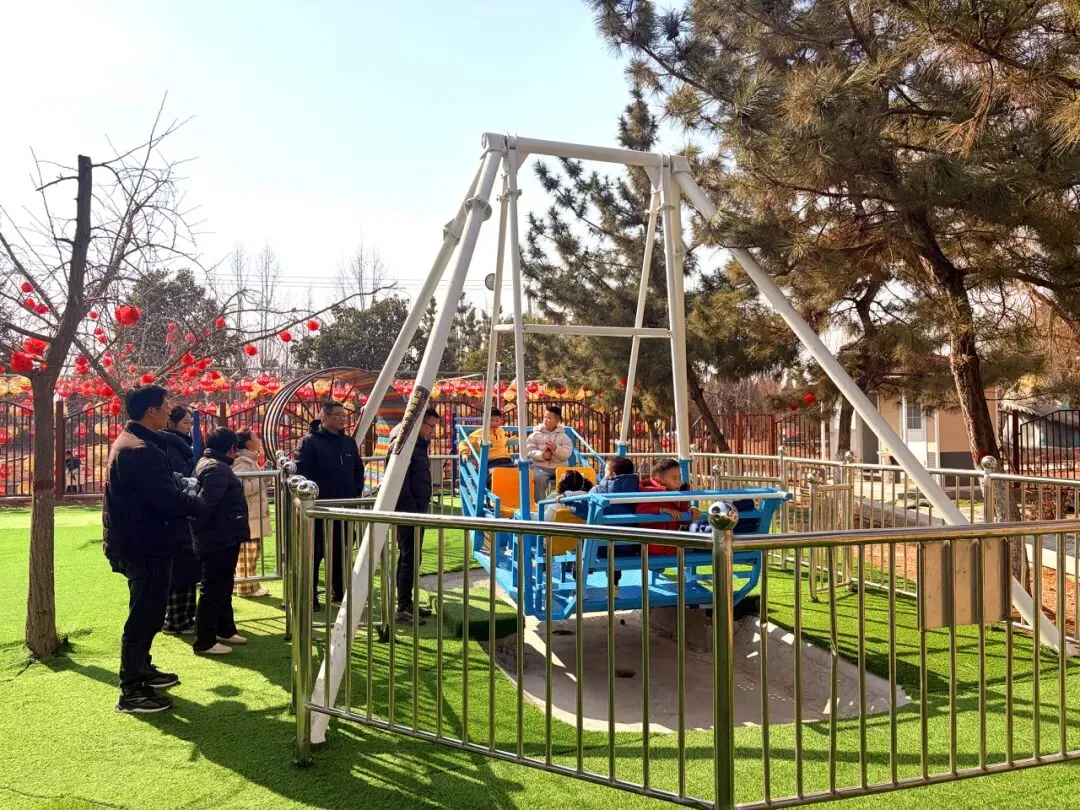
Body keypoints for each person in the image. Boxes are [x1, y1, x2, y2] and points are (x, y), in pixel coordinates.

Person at [103, 385, 205, 713]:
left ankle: (142, 669)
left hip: (147, 541)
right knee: (144, 616)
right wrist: (201, 503)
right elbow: (166, 499)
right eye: (165, 405)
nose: (169, 410)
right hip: (145, 545)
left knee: (150, 612)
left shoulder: (136, 443)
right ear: (151, 411)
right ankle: (131, 690)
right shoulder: (139, 450)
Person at [296, 401, 364, 608]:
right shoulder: (309, 442)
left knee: (341, 550)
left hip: (344, 507)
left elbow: (358, 470)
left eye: (344, 415)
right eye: (337, 415)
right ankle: (310, 596)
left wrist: (354, 491)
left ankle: (339, 592)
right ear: (324, 417)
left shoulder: (349, 442)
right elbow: (301, 472)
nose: (342, 419)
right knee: (315, 553)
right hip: (318, 508)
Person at [191, 428, 249, 655]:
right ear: (231, 448)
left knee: (223, 586)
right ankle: (204, 640)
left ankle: (225, 629)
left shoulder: (211, 464)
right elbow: (204, 505)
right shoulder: (217, 469)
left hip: (221, 534)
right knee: (214, 588)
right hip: (218, 536)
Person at [391, 408, 440, 624]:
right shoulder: (404, 444)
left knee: (412, 557)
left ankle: (406, 602)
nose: (432, 432)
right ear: (419, 423)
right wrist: (411, 511)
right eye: (430, 426)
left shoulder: (418, 445)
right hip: (409, 512)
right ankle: (403, 606)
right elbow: (399, 483)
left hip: (417, 510)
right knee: (408, 557)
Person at [160, 406, 199, 636]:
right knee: (179, 568)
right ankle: (175, 620)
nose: (189, 427)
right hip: (178, 512)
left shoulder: (182, 444)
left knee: (187, 567)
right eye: (185, 422)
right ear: (172, 423)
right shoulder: (170, 445)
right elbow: (180, 478)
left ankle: (185, 617)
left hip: (184, 511)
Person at [589, 455, 641, 593]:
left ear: (612, 474)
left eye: (605, 471)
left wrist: (567, 495)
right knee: (616, 544)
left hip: (600, 549)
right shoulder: (639, 491)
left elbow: (582, 506)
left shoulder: (598, 491)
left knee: (580, 547)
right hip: (630, 547)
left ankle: (578, 589)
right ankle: (614, 586)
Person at [232, 429, 270, 598]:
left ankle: (244, 584)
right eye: (255, 437)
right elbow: (240, 487)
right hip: (248, 515)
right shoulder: (242, 462)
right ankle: (245, 587)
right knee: (248, 552)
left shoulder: (250, 460)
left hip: (252, 514)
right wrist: (261, 481)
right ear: (248, 443)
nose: (259, 439)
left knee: (251, 551)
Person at [636, 457, 701, 555]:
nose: (679, 482)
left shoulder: (675, 493)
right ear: (659, 479)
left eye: (679, 477)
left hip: (670, 541)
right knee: (704, 545)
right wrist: (662, 510)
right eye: (674, 478)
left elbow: (681, 517)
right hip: (656, 545)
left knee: (705, 541)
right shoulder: (648, 493)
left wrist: (691, 509)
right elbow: (640, 512)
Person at [525, 405, 573, 497]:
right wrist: (542, 455)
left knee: (569, 478)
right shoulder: (535, 435)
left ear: (557, 421)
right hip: (540, 467)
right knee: (537, 477)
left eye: (549, 418)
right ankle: (540, 503)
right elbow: (529, 450)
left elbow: (567, 454)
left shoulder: (564, 436)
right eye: (545, 417)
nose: (545, 420)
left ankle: (564, 502)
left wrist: (556, 449)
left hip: (559, 467)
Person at [458, 407, 515, 479]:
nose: (494, 423)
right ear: (486, 420)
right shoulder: (480, 433)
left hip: (506, 460)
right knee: (495, 477)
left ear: (500, 421)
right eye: (491, 420)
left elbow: (502, 440)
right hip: (491, 462)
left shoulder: (501, 431)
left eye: (497, 420)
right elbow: (464, 442)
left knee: (516, 475)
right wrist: (464, 453)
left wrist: (511, 439)